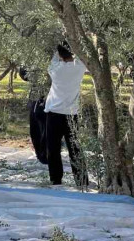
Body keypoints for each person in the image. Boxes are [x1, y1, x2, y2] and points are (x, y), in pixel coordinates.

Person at [44, 41, 89, 187]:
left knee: (53, 149)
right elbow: (83, 56)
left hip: (54, 113)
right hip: (72, 114)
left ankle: (55, 180)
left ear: (59, 54)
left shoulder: (55, 68)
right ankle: (81, 180)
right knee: (75, 148)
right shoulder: (79, 67)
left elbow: (54, 58)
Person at [19, 65, 50, 164]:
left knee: (43, 128)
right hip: (37, 99)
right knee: (36, 128)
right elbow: (24, 75)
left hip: (45, 99)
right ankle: (42, 155)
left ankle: (44, 155)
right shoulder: (35, 65)